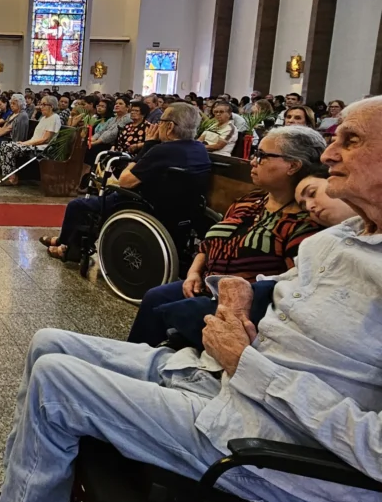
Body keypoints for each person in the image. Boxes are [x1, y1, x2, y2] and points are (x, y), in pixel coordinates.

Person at [0, 97, 382, 502]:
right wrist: (241, 296)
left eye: (351, 141)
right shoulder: (339, 238)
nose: (329, 152)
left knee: (56, 384)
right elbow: (288, 302)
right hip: (218, 382)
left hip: (270, 444)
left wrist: (248, 364)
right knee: (48, 343)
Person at [127, 126, 325, 346]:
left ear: (293, 165)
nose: (253, 161)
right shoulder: (250, 200)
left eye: (262, 156)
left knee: (165, 313)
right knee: (154, 297)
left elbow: (287, 288)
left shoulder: (304, 223)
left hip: (244, 305)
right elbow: (210, 242)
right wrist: (194, 272)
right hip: (206, 283)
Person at [41, 103, 210, 260]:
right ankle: (65, 242)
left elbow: (125, 181)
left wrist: (148, 145)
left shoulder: (163, 150)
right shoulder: (199, 149)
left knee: (78, 205)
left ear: (170, 126)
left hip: (144, 204)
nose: (157, 125)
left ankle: (66, 246)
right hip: (183, 209)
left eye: (161, 121)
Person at [0, 97, 61, 185]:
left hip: (41, 148)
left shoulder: (54, 118)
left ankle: (12, 178)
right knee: (4, 144)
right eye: (41, 104)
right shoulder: (44, 118)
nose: (41, 107)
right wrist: (26, 143)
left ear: (51, 106)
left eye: (44, 104)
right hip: (32, 144)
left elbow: (45, 139)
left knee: (8, 148)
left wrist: (26, 143)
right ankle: (10, 175)